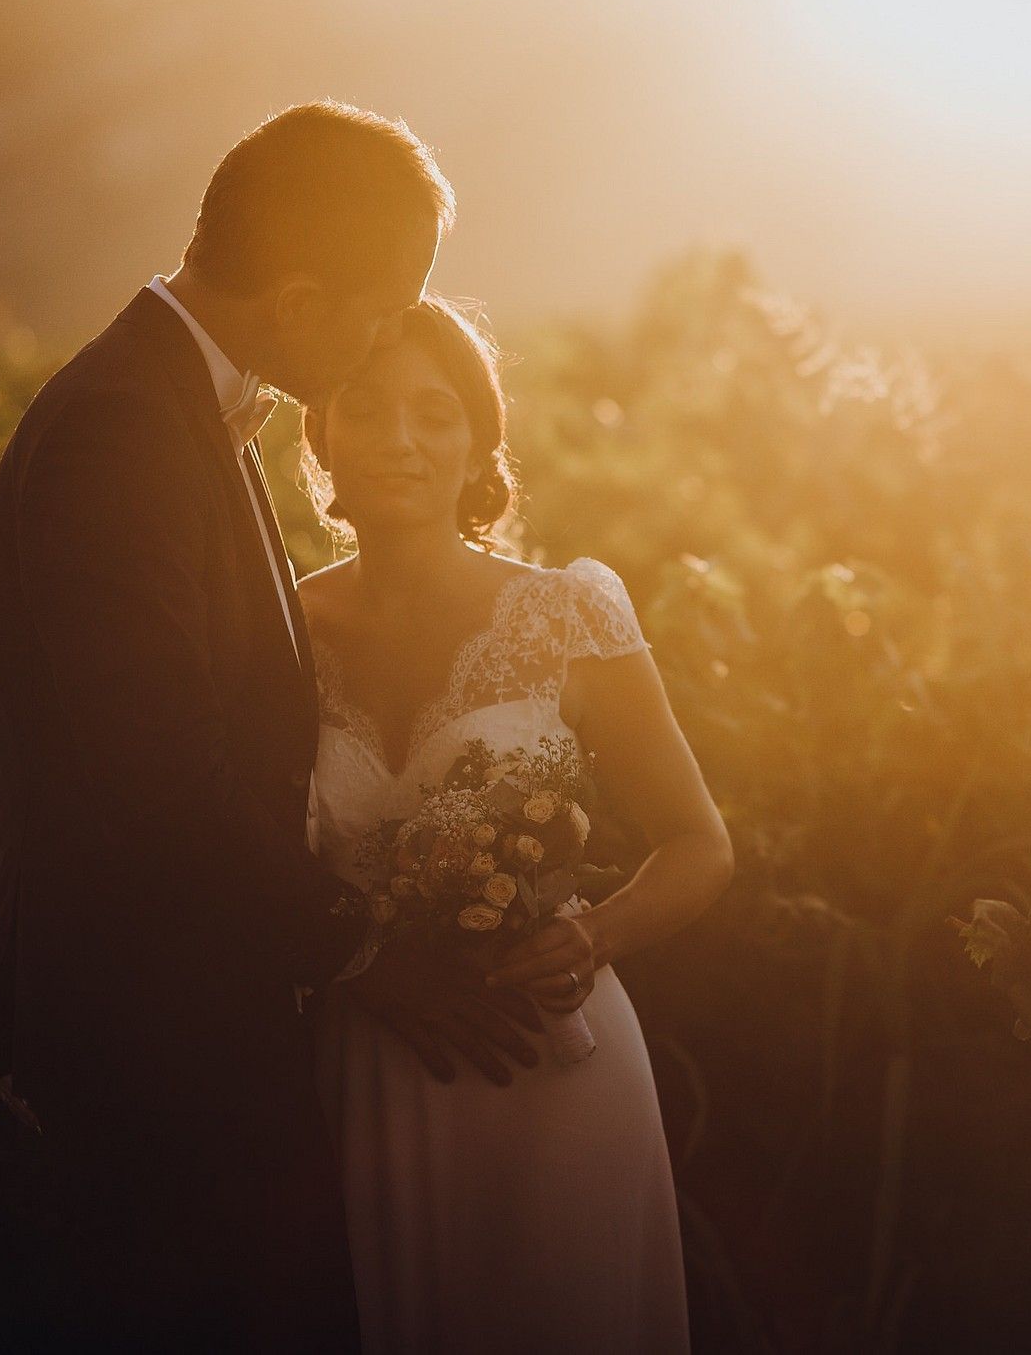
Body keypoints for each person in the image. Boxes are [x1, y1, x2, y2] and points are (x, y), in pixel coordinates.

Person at [0, 101, 537, 1349]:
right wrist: (364, 950)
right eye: (383, 301)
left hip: (190, 1023)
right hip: (158, 1049)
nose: (391, 333)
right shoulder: (125, 433)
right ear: (296, 297)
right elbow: (155, 774)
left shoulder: (178, 406)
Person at [296, 295, 732, 1353]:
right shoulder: (276, 626)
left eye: (435, 414)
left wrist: (589, 936)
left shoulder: (569, 614)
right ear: (322, 440)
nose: (401, 439)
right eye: (366, 408)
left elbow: (699, 843)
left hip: (551, 1073)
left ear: (477, 444)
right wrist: (356, 961)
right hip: (366, 1070)